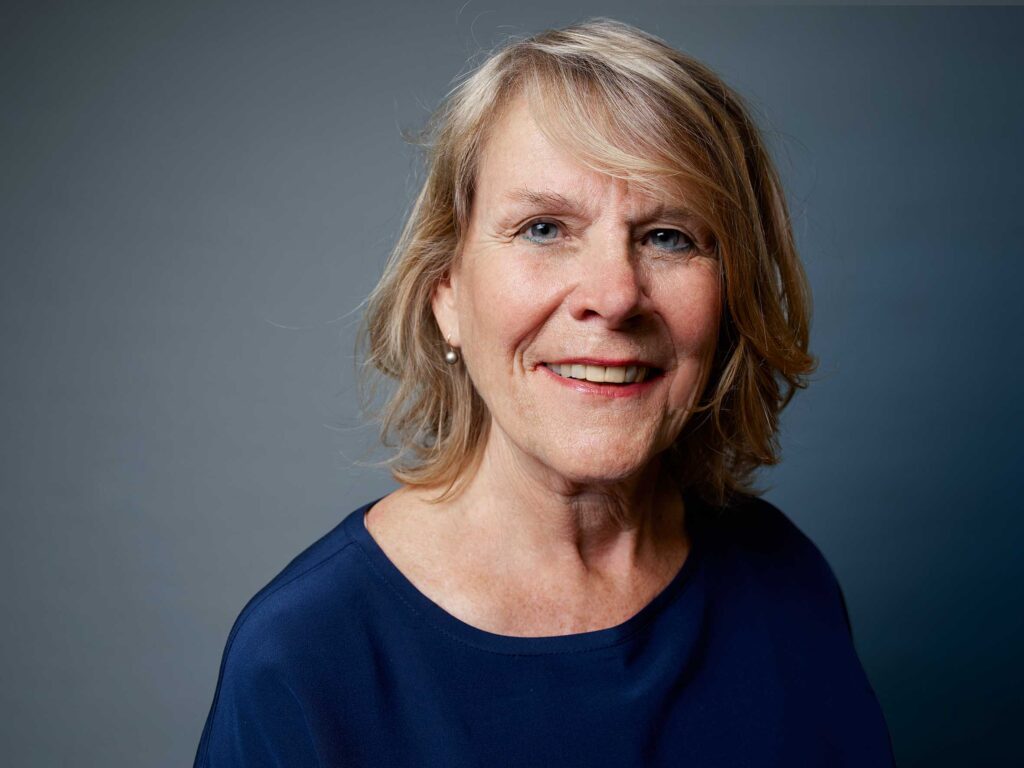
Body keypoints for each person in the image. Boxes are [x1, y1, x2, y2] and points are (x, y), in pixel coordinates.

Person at [193, 18, 896, 767]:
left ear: (732, 296)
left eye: (668, 236)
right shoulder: (304, 658)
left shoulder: (784, 578)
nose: (614, 296)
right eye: (543, 228)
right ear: (446, 291)